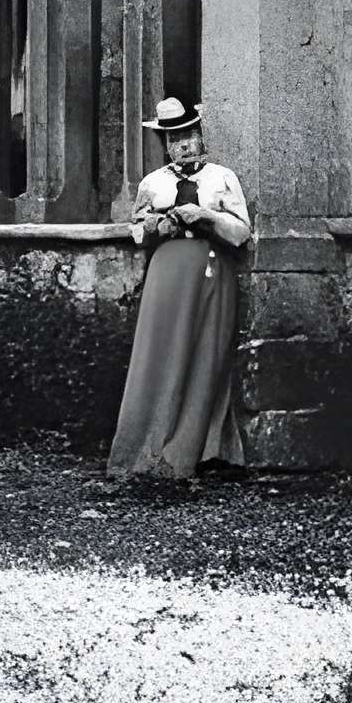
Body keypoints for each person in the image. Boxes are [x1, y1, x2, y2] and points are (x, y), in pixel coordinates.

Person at [109, 98, 253, 480]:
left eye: (188, 135)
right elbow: (136, 230)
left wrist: (206, 216)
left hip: (209, 271)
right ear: (165, 144)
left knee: (207, 353)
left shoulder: (222, 178)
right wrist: (156, 226)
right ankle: (147, 443)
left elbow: (241, 232)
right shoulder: (152, 183)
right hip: (167, 274)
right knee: (158, 352)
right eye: (174, 139)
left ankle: (205, 449)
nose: (183, 145)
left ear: (200, 136)